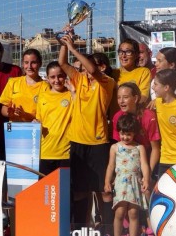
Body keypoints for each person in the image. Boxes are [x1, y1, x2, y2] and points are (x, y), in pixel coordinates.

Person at [58, 30, 115, 234]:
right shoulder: (78, 79)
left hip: (98, 142)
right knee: (80, 191)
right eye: (81, 67)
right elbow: (63, 63)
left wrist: (74, 48)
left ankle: (107, 227)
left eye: (85, 66)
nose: (83, 69)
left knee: (104, 191)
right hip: (77, 142)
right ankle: (81, 229)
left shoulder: (106, 82)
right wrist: (66, 41)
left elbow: (93, 69)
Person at [112, 82, 160, 235]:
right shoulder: (117, 117)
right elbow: (118, 149)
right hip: (127, 166)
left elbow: (155, 149)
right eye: (119, 97)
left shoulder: (148, 117)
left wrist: (148, 176)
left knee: (147, 193)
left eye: (125, 97)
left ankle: (151, 227)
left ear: (136, 98)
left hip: (147, 160)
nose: (121, 101)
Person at [104, 113, 150, 236]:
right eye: (122, 134)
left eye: (128, 134)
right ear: (118, 132)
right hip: (120, 183)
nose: (125, 137)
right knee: (119, 212)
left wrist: (146, 180)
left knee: (134, 213)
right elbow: (110, 166)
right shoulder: (115, 147)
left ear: (134, 133)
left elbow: (145, 165)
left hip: (135, 183)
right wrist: (107, 181)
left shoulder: (140, 148)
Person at [35, 61, 72, 175]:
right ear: (47, 78)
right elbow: (39, 119)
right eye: (52, 77)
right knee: (46, 191)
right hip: (45, 152)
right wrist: (35, 123)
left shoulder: (71, 95)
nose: (56, 80)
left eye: (60, 76)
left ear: (65, 76)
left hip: (65, 153)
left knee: (64, 191)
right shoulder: (42, 97)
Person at [0, 48, 49, 122]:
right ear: (23, 64)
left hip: (34, 130)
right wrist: (9, 112)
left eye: (33, 62)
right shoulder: (13, 82)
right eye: (26, 62)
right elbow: (3, 109)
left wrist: (25, 115)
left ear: (40, 64)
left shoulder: (46, 87)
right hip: (14, 129)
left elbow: (46, 113)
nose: (29, 66)